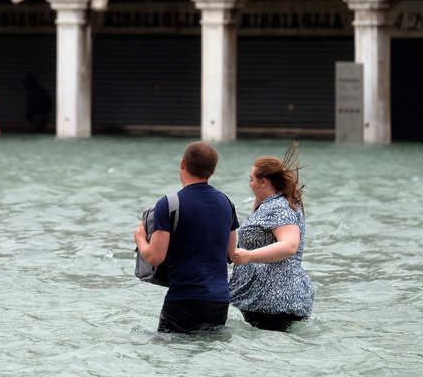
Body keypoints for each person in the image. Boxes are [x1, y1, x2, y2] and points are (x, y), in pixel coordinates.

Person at [134, 141, 239, 333]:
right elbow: (231, 254)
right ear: (212, 171)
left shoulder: (169, 204)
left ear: (182, 163)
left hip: (183, 299)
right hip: (219, 301)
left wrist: (140, 238)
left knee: (170, 356)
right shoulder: (226, 203)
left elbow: (155, 257)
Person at [228, 144, 314, 331]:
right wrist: (258, 199)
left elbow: (290, 246)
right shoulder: (272, 204)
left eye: (251, 179)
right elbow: (257, 231)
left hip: (275, 302)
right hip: (267, 300)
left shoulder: (279, 208)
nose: (249, 184)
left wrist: (248, 256)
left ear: (263, 181)